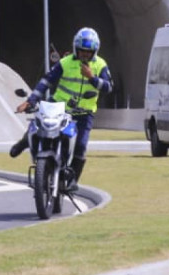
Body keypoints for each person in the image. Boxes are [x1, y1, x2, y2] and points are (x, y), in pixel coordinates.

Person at [9, 27, 113, 191]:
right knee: (39, 123)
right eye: (81, 51)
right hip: (58, 107)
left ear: (95, 51)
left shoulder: (100, 65)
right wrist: (30, 101)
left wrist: (92, 77)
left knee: (81, 146)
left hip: (83, 114)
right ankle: (24, 142)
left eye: (88, 52)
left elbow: (108, 87)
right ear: (75, 49)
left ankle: (72, 181)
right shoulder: (64, 63)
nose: (84, 55)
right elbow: (46, 81)